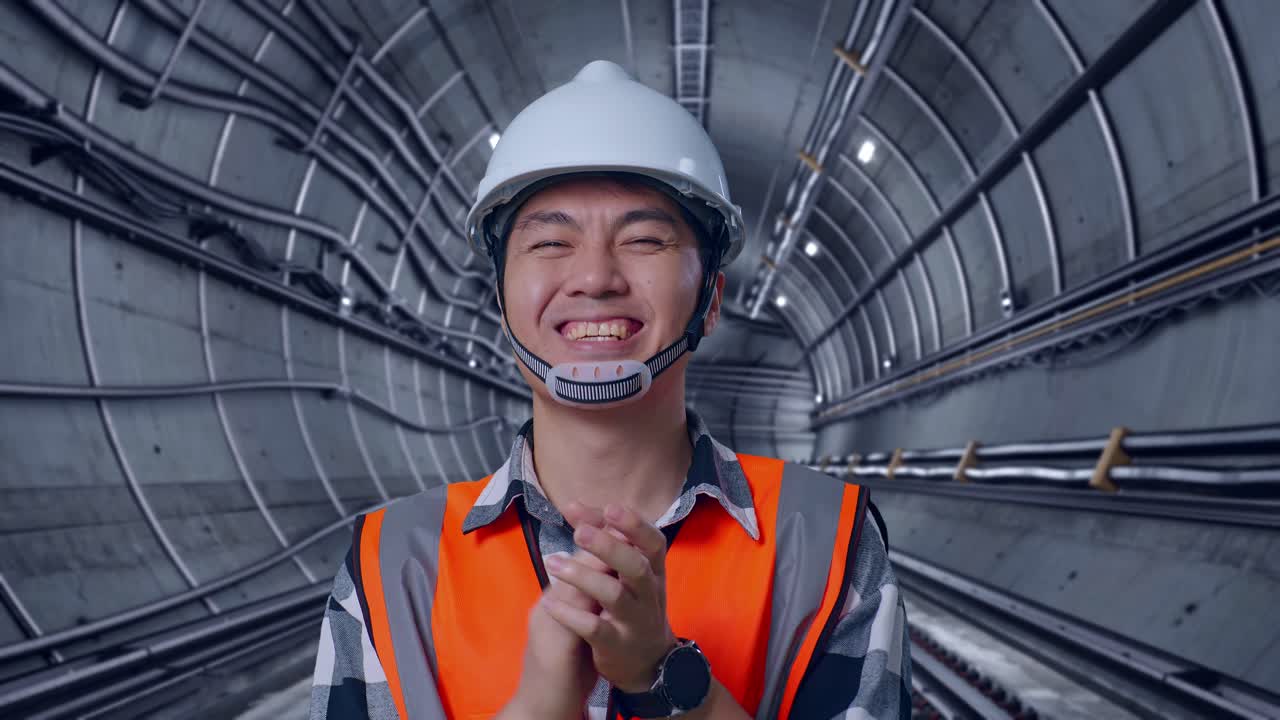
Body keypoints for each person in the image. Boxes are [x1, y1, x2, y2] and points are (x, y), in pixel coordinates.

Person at [309, 60, 910, 720]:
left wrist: (667, 680)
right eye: (550, 242)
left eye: (645, 239)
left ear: (711, 299)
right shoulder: (390, 562)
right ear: (500, 300)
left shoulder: (825, 539)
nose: (594, 277)